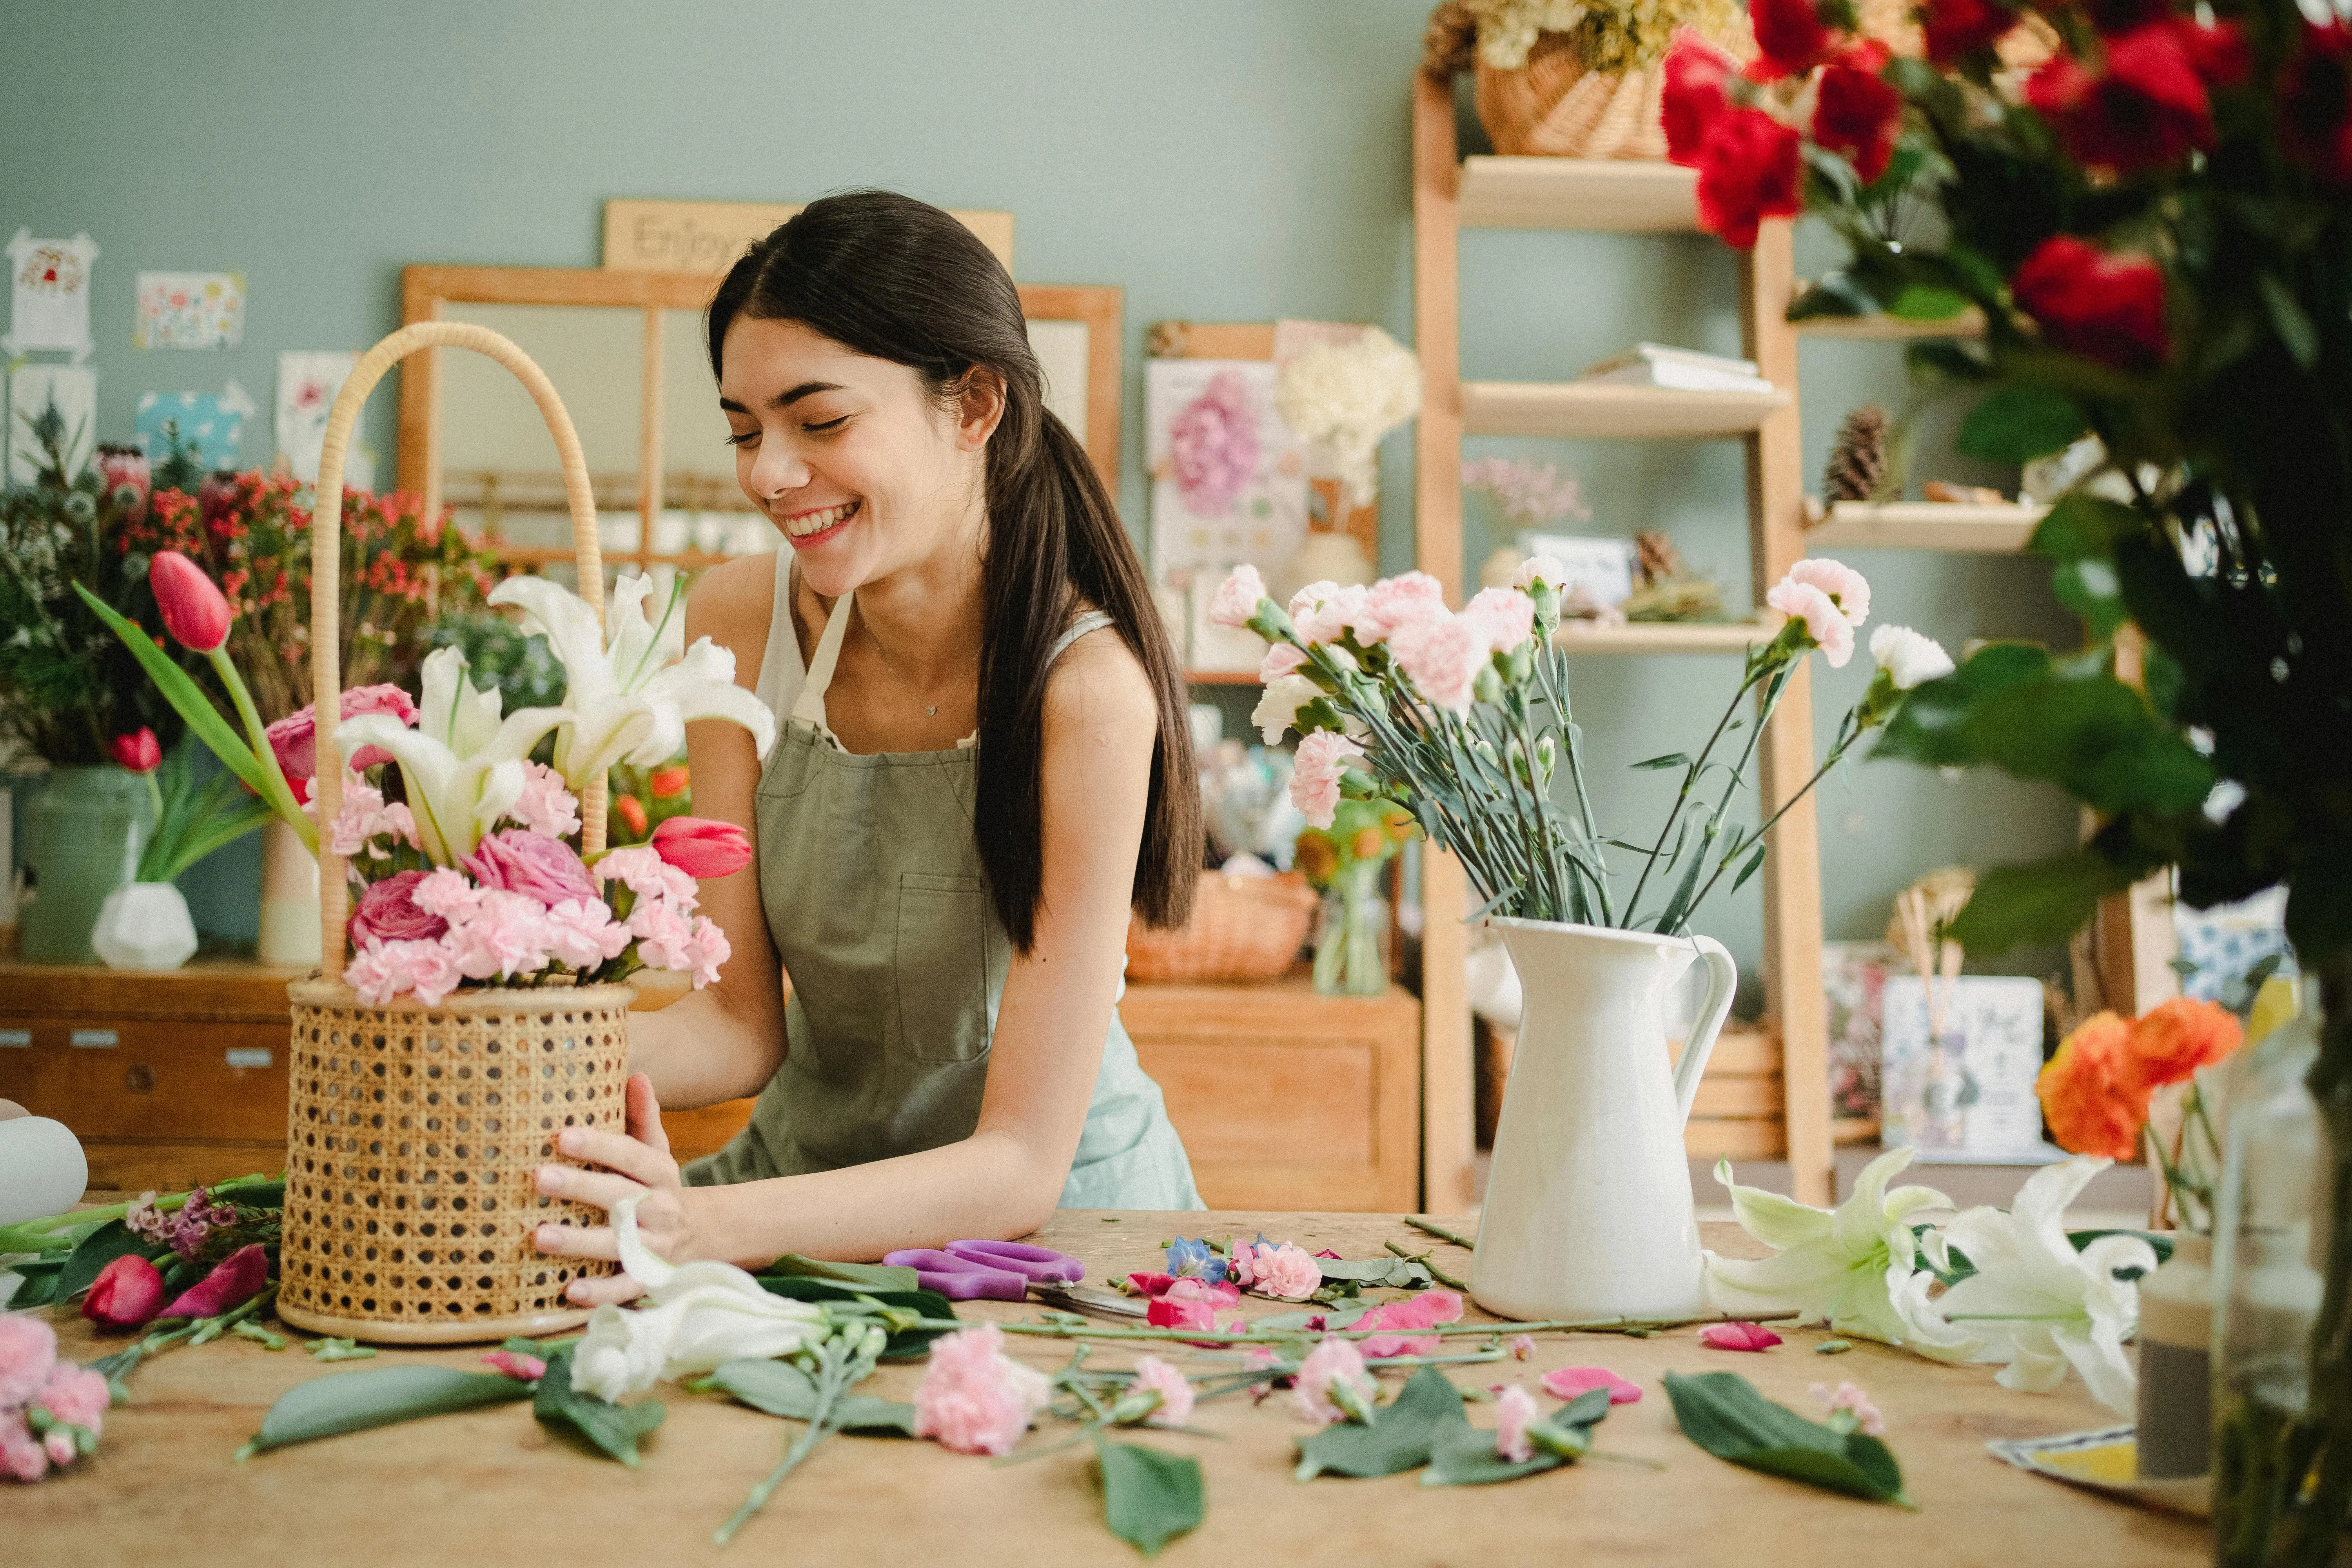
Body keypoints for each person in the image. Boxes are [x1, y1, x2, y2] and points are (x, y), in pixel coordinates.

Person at [532, 192, 1205, 1304]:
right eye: (746, 430)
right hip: (795, 1202)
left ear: (976, 403)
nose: (769, 475)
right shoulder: (741, 623)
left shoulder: (1086, 692)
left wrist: (697, 1225)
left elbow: (1019, 1168)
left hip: (1049, 1247)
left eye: (821, 421)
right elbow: (739, 1027)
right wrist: (511, 1068)